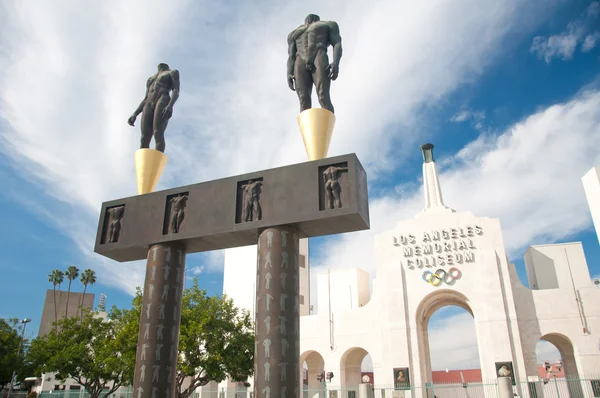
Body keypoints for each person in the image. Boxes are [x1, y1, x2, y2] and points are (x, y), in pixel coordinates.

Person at [287, 14, 342, 113]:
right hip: (300, 60)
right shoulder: (293, 34)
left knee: (323, 95)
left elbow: (337, 43)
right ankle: (306, 128)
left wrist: (336, 62)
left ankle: (328, 128)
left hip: (318, 54)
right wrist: (289, 72)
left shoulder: (328, 24)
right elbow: (291, 56)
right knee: (303, 100)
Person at [128, 63, 180, 153]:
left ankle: (157, 163)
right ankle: (144, 166)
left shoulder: (172, 72)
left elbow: (176, 90)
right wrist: (135, 114)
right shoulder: (151, 79)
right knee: (144, 137)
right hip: (148, 102)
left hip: (162, 99)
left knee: (158, 133)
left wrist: (170, 105)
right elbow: (145, 98)